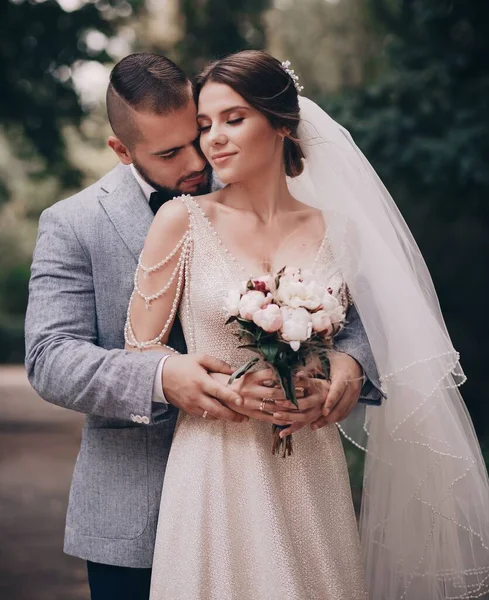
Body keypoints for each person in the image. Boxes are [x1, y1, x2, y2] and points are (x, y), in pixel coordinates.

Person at [128, 50, 489, 600]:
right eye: (204, 125)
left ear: (280, 123)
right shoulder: (181, 220)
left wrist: (338, 370)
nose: (214, 139)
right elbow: (140, 352)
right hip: (214, 465)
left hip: (310, 468)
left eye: (234, 118)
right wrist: (205, 384)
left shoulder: (338, 230)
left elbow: (370, 334)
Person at [24, 52, 382, 600]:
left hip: (291, 488)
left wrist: (348, 365)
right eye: (171, 152)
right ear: (122, 151)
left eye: (199, 131)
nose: (199, 157)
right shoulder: (73, 223)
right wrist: (163, 377)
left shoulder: (263, 177)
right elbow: (49, 357)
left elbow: (348, 306)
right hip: (135, 510)